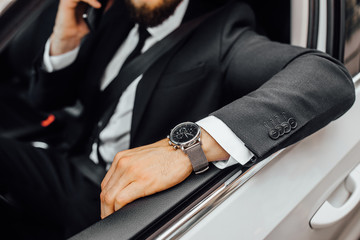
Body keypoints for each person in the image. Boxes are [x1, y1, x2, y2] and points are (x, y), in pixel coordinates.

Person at [0, 0, 356, 239]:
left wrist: (185, 149)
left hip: (122, 205)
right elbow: (45, 101)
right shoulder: (116, 13)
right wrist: (64, 38)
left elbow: (325, 78)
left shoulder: (222, 32)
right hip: (70, 159)